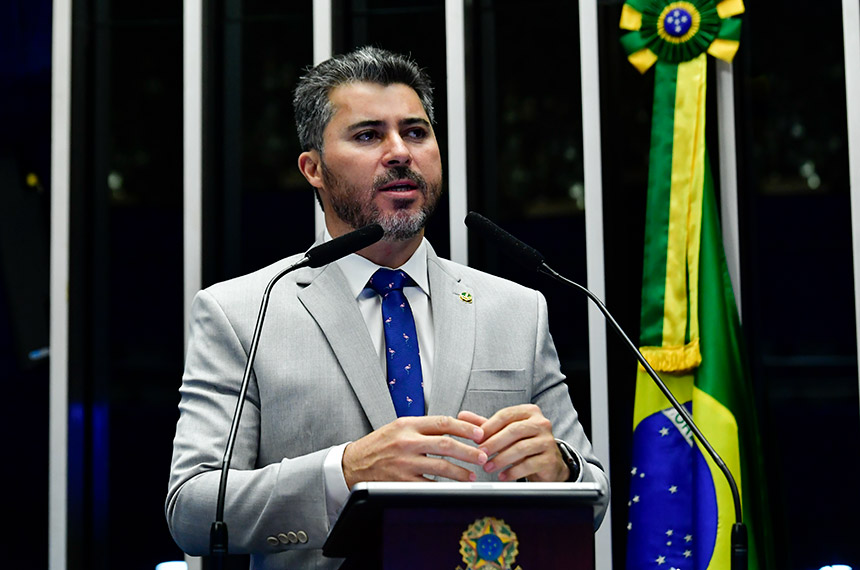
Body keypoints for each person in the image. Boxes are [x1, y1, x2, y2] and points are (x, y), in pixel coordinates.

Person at [166, 46, 608, 569]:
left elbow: (593, 492)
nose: (400, 151)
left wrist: (560, 466)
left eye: (416, 133)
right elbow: (193, 508)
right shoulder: (244, 312)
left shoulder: (515, 308)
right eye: (369, 135)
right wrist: (346, 471)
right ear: (313, 168)